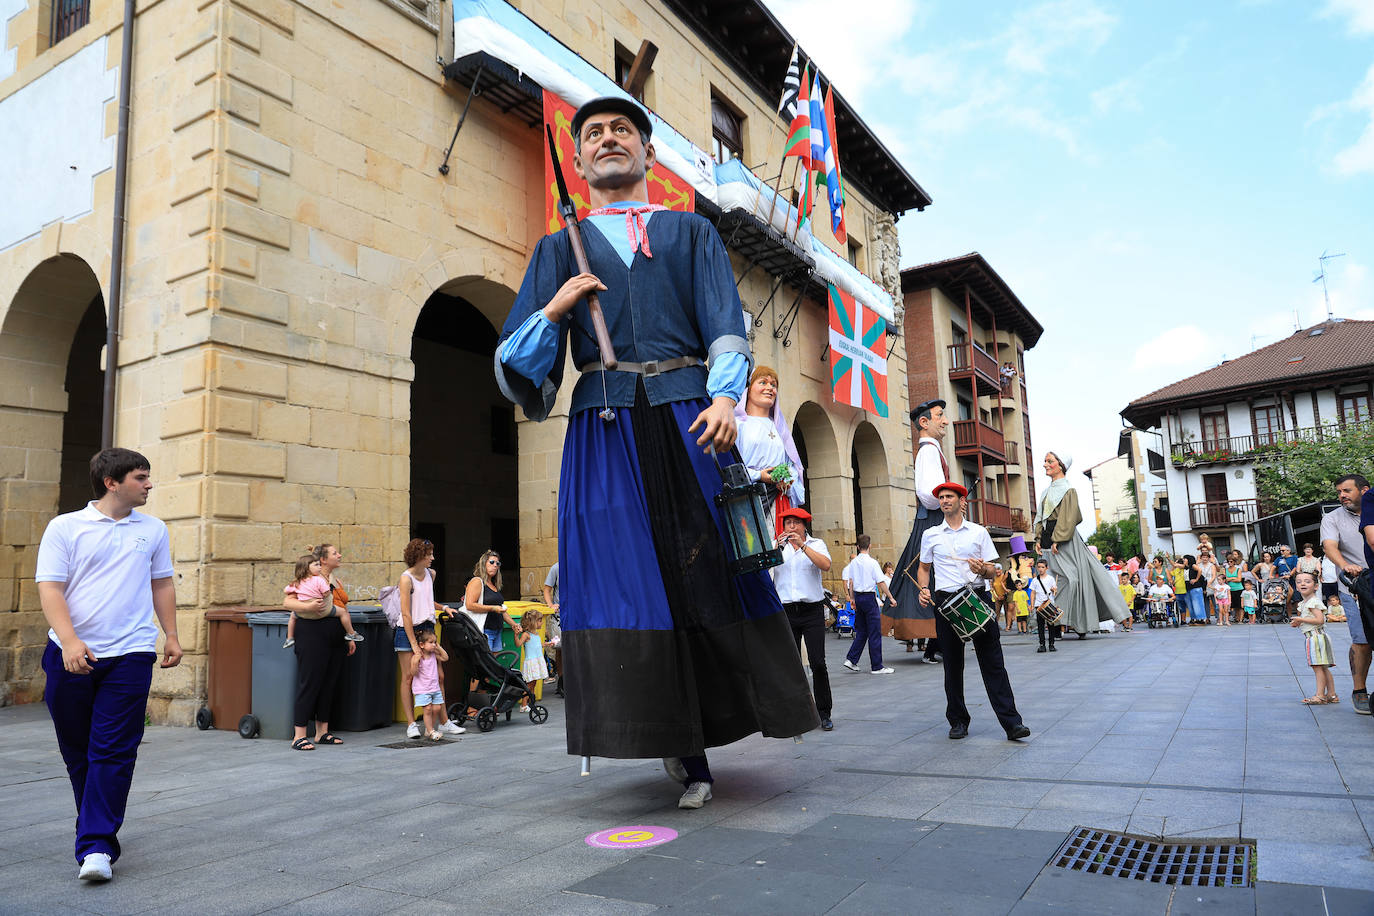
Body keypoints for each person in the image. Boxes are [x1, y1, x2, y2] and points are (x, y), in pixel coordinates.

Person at [494, 95, 817, 808]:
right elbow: (519, 360)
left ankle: (749, 711)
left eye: (622, 131)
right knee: (629, 579)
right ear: (576, 162)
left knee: (707, 567)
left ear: (646, 152)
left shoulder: (690, 233)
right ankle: (681, 746)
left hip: (690, 416)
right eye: (594, 134)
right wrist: (556, 308)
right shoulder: (557, 249)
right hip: (603, 425)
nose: (609, 140)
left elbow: (726, 328)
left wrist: (726, 399)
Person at [36, 448, 182, 882]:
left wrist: (170, 634)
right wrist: (70, 641)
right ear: (111, 482)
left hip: (131, 654)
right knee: (78, 751)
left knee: (114, 750)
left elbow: (162, 583)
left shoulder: (153, 529)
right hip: (70, 654)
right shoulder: (65, 527)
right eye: (141, 477)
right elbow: (51, 588)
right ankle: (94, 826)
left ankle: (97, 845)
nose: (150, 484)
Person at [916, 481, 1030, 741]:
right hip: (946, 601)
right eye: (941, 497)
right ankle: (957, 720)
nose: (944, 501)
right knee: (952, 665)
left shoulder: (978, 533)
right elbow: (924, 568)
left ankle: (1012, 724)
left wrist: (982, 569)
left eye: (949, 497)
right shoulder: (931, 534)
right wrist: (924, 589)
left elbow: (993, 570)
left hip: (976, 596)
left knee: (993, 663)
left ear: (961, 501)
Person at [1033, 450, 1130, 638]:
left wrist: (1058, 539)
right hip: (1047, 539)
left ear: (1060, 465)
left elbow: (1070, 516)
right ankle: (1055, 623)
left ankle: (1078, 622)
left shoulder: (1068, 490)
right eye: (1045, 461)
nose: (1045, 464)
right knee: (1050, 582)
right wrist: (1038, 538)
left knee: (1072, 580)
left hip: (1063, 540)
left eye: (1049, 461)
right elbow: (1040, 517)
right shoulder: (1046, 492)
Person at [888, 398, 950, 662]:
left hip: (935, 519)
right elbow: (926, 494)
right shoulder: (927, 451)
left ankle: (937, 644)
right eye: (940, 416)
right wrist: (949, 502)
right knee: (935, 579)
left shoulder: (931, 450)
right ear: (924, 422)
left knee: (937, 579)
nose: (945, 420)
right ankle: (935, 645)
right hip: (933, 520)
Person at [283, 544, 355, 751]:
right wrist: (308, 607)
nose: (339, 555)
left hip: (335, 635)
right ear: (323, 560)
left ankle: (322, 732)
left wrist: (349, 637)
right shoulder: (307, 579)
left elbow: (343, 609)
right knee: (309, 683)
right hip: (311, 633)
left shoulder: (335, 580)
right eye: (335, 553)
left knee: (328, 683)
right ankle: (299, 735)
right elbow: (288, 602)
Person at [771, 507, 835, 730]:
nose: (790, 527)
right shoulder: (779, 547)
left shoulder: (816, 545)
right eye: (787, 523)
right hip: (787, 611)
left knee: (818, 662)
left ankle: (824, 712)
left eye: (794, 523)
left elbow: (825, 565)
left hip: (812, 611)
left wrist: (803, 546)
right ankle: (794, 713)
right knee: (790, 664)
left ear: (803, 525)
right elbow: (763, 570)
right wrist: (777, 548)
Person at [397, 539, 464, 739]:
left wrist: (443, 607)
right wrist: (413, 645)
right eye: (429, 555)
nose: (433, 558)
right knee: (409, 676)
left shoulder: (430, 574)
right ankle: (411, 724)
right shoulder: (406, 579)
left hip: (427, 627)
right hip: (408, 629)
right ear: (419, 557)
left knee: (439, 676)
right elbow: (406, 613)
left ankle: (443, 722)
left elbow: (426, 599)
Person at [1322, 474, 1372, 714]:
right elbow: (1329, 546)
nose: (1341, 496)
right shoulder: (1332, 518)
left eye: (1346, 491)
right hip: (1355, 587)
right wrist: (1344, 565)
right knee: (1362, 640)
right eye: (1339, 492)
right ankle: (1359, 690)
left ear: (1364, 490)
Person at [734, 365, 805, 533]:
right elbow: (730, 467)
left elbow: (791, 465)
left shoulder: (780, 429)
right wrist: (760, 475)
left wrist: (787, 480)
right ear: (748, 389)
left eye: (773, 385)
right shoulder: (738, 425)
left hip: (778, 500)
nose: (770, 388)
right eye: (763, 382)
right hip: (748, 499)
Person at [283, 554, 364, 649]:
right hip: (322, 610)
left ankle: (289, 638)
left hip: (302, 614)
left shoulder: (297, 582)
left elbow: (286, 590)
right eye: (316, 565)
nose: (319, 567)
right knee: (343, 612)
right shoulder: (318, 580)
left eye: (319, 565)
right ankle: (351, 633)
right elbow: (326, 592)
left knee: (292, 617)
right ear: (307, 568)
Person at [842, 535, 894, 675]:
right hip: (869, 597)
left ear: (858, 547)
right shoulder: (872, 563)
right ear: (870, 545)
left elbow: (851, 582)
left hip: (858, 597)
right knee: (874, 632)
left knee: (862, 630)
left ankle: (851, 659)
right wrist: (890, 597)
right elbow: (880, 582)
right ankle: (876, 666)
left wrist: (852, 598)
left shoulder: (853, 563)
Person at [1291, 571, 1337, 704]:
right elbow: (1311, 619)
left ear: (1316, 586)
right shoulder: (1305, 603)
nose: (1302, 583)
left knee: (1317, 667)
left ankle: (1320, 695)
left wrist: (1300, 618)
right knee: (1323, 667)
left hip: (1315, 637)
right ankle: (1332, 694)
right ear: (1296, 587)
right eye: (1299, 582)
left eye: (1307, 581)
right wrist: (1299, 622)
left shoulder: (1313, 602)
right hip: (1317, 636)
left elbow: (1320, 620)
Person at [464, 550, 520, 654]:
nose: (495, 565)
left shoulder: (494, 585)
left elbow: (501, 610)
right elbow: (469, 605)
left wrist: (514, 624)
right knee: (486, 665)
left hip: (497, 630)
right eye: (491, 562)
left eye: (497, 563)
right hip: (484, 630)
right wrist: (492, 608)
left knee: (493, 665)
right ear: (483, 563)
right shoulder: (477, 581)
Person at [409, 630, 453, 740]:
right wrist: (415, 663)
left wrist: (438, 647)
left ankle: (430, 729)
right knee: (427, 709)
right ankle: (431, 731)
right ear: (422, 645)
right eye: (431, 642)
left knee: (437, 708)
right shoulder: (417, 657)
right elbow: (413, 673)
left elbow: (445, 657)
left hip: (434, 688)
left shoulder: (434, 654)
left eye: (435, 642)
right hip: (422, 689)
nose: (434, 645)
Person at [514, 607, 549, 713]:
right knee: (529, 684)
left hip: (537, 661)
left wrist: (547, 644)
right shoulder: (526, 635)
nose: (541, 623)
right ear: (533, 622)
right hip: (532, 662)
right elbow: (518, 644)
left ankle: (531, 703)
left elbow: (537, 646)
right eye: (539, 620)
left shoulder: (536, 634)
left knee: (533, 684)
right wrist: (516, 635)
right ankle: (524, 705)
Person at [1028, 558, 1058, 652]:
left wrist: (1054, 590)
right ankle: (1042, 645)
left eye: (1042, 567)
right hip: (1039, 605)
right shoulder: (1035, 580)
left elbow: (1055, 591)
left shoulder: (1051, 579)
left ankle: (1051, 644)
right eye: (1039, 567)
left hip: (1049, 604)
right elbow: (1033, 593)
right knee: (1040, 626)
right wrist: (1032, 604)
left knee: (1051, 624)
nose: (1040, 569)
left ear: (1046, 568)